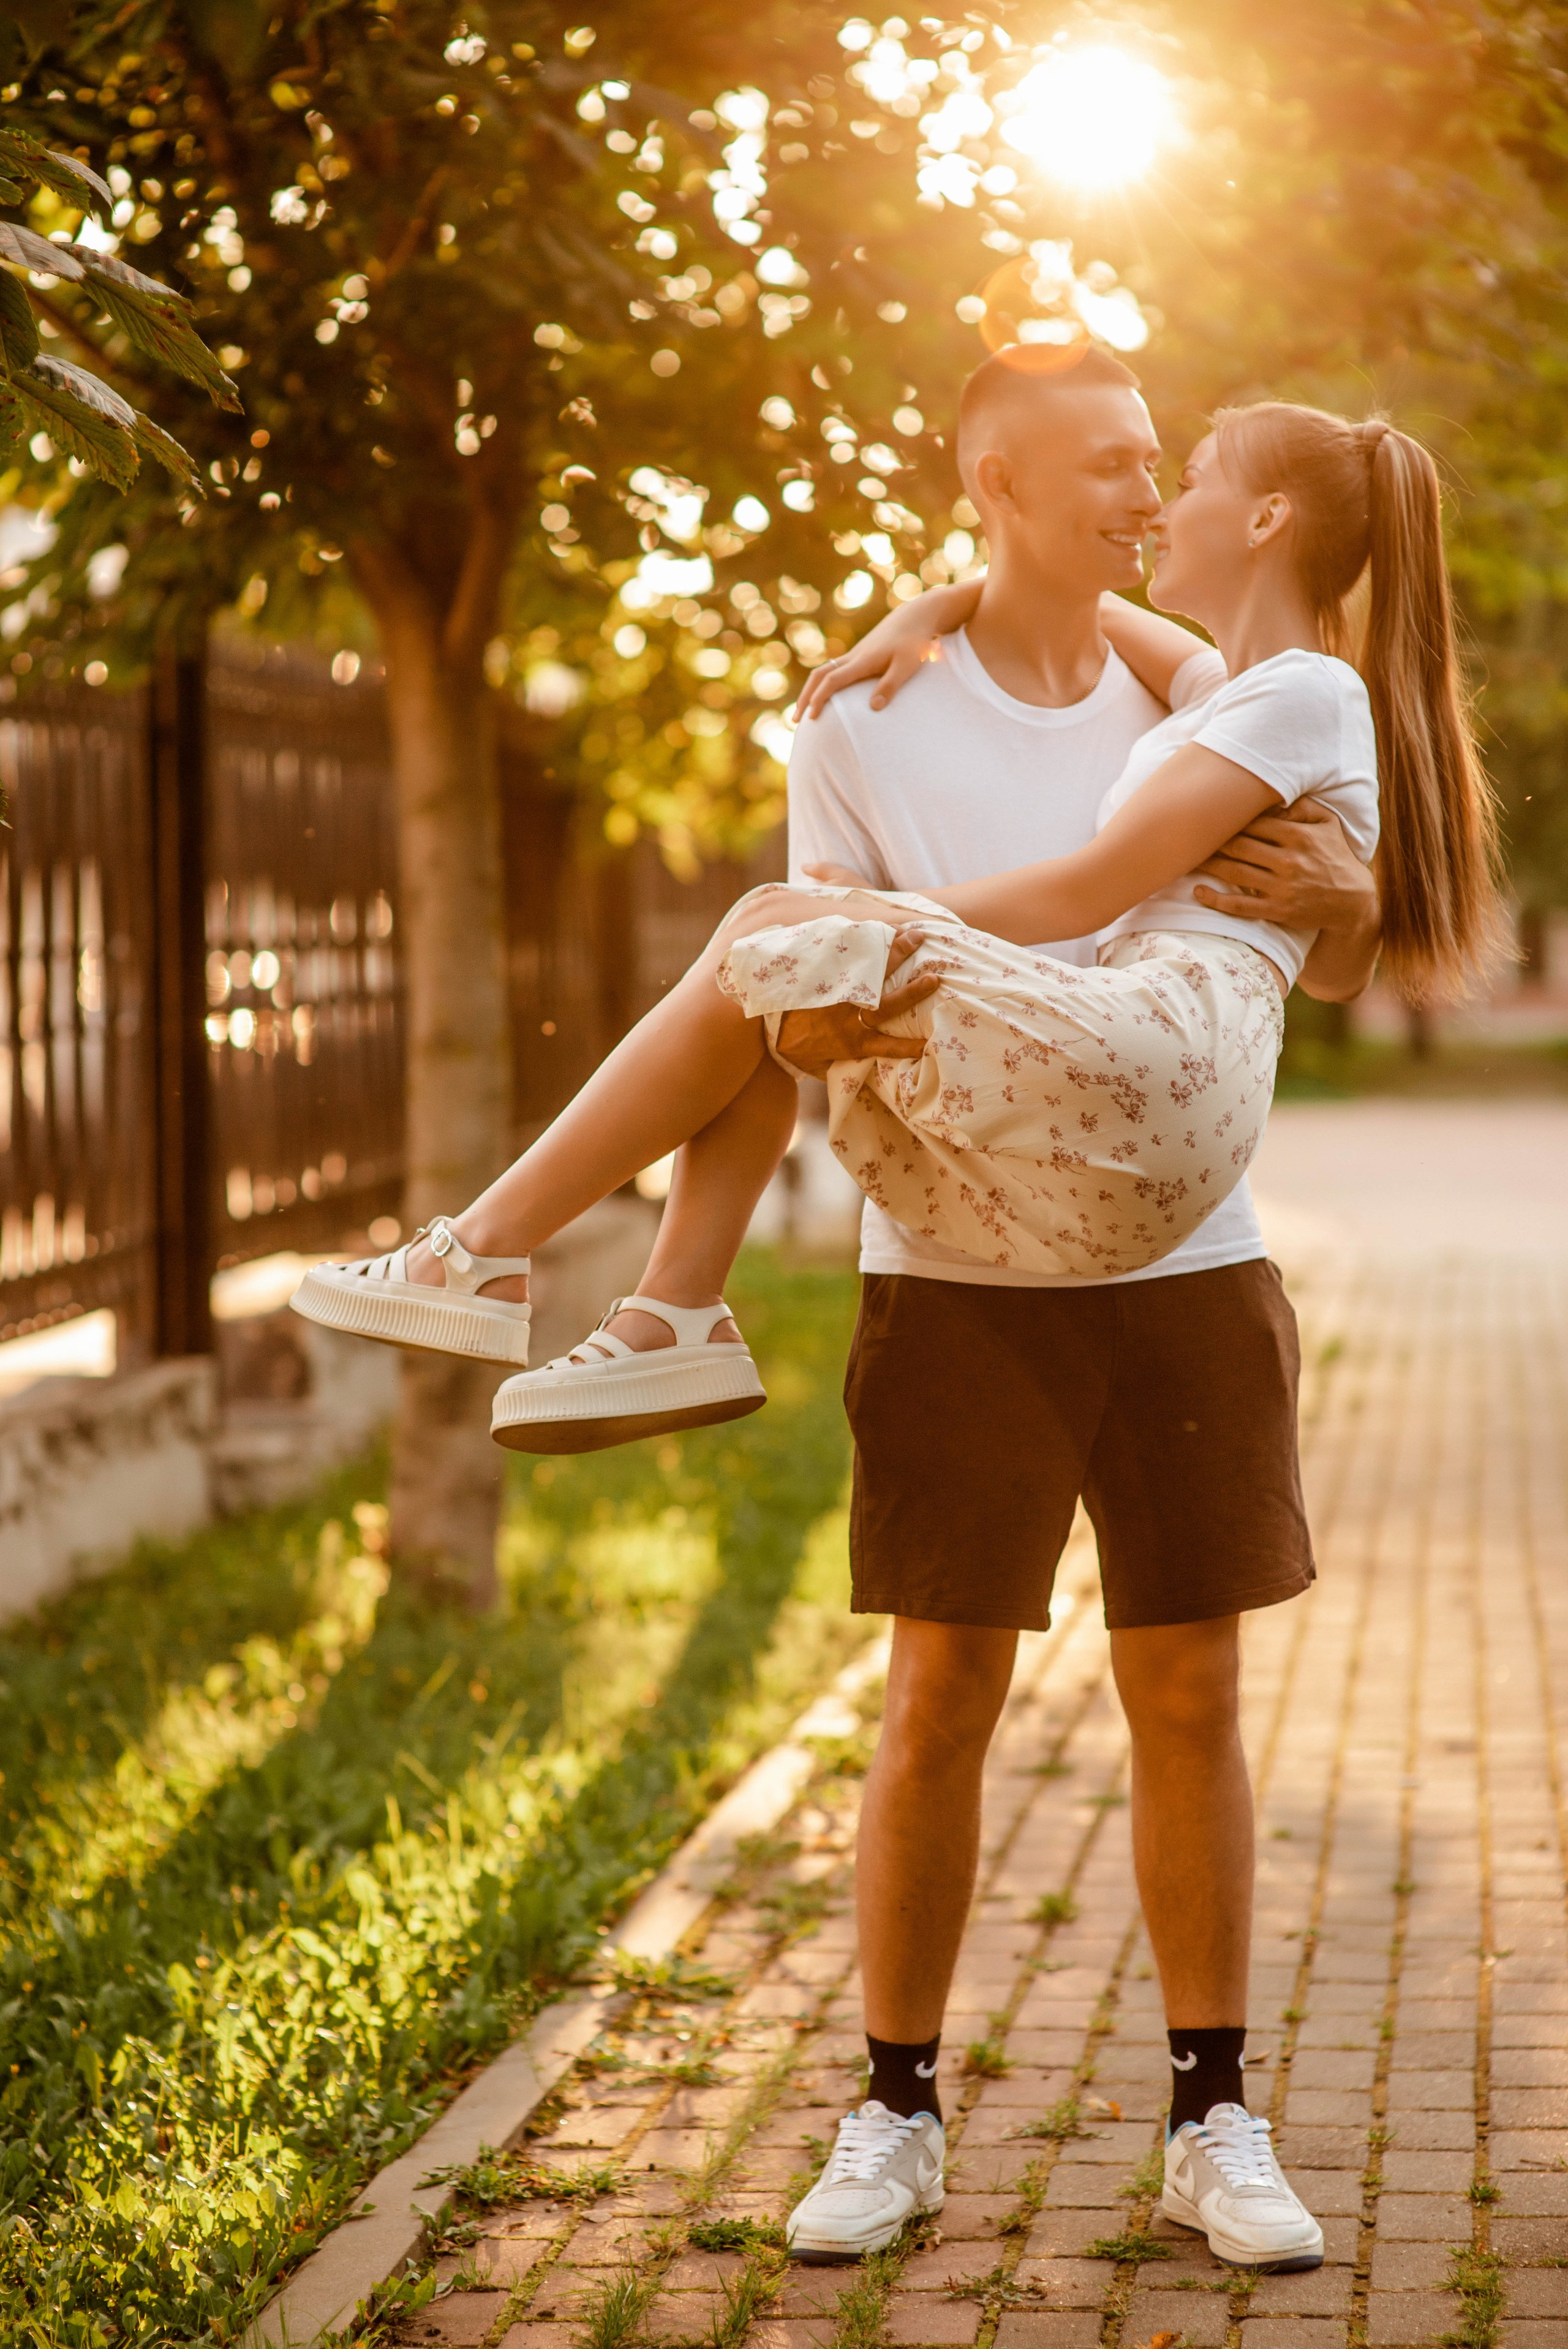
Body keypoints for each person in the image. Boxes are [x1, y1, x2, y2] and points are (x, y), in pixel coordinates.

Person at [293, 355, 1499, 2268]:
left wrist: (1344, 897)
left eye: (1156, 465)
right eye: (1107, 464)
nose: (1140, 494)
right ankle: (893, 2105)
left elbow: (1322, 926)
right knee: (939, 1695)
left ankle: (1215, 2113)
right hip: (954, 1274)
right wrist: (913, 669)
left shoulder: (1193, 679)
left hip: (1190, 1269)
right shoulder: (863, 714)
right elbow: (788, 1023)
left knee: (1190, 1691)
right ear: (993, 481)